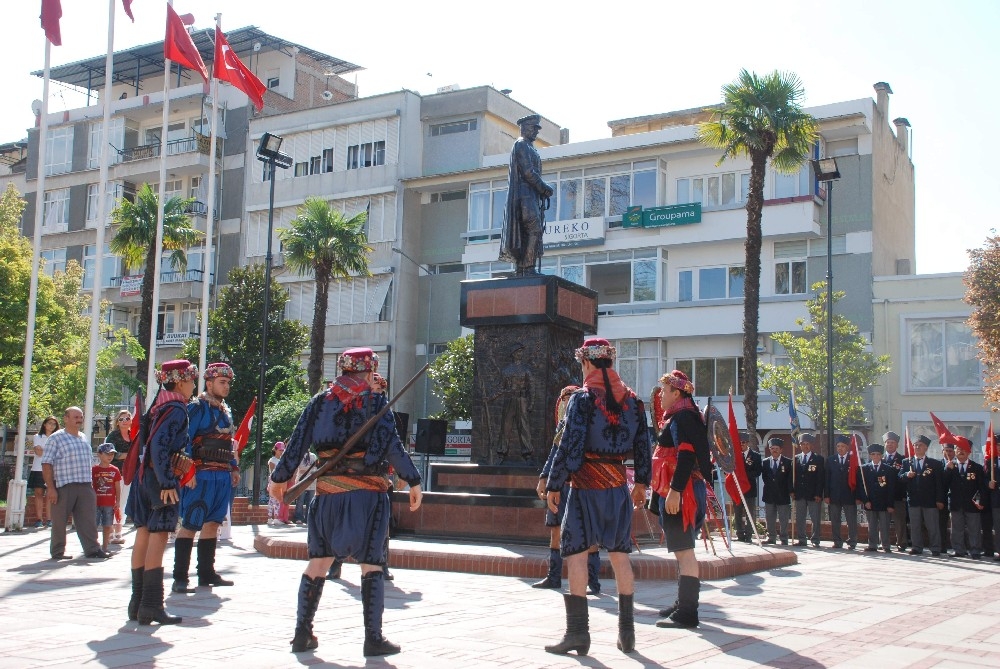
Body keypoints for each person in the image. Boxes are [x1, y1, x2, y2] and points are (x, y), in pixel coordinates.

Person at [269, 348, 423, 657]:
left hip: (328, 496)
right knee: (372, 563)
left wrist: (278, 478)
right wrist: (413, 478)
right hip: (368, 496)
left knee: (319, 561)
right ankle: (373, 638)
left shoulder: (319, 402)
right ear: (369, 371)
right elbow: (391, 445)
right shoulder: (375, 402)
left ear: (342, 370)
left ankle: (302, 633)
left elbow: (297, 442)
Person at [543, 338, 650, 653]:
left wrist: (554, 482)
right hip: (618, 487)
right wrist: (642, 482)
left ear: (587, 363)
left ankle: (578, 634)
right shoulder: (634, 401)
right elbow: (643, 445)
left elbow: (570, 443)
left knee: (575, 554)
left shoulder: (582, 399)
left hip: (585, 486)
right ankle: (627, 633)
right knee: (620, 555)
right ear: (610, 363)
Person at [124, 359, 198, 625]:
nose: (193, 386)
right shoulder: (176, 408)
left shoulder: (157, 407)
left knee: (143, 533)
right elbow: (159, 445)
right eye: (191, 380)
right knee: (158, 537)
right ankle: (152, 605)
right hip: (160, 481)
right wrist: (168, 481)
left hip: (143, 480)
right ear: (180, 381)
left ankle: (137, 601)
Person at [173, 362, 240, 593]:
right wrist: (187, 471)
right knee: (191, 523)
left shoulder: (225, 411)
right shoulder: (197, 408)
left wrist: (234, 467)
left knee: (213, 523)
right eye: (222, 382)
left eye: (228, 383)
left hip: (221, 475)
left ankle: (206, 573)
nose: (226, 387)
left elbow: (229, 443)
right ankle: (180, 577)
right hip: (200, 474)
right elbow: (185, 440)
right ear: (209, 383)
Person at [648, 369, 705, 632]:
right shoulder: (680, 416)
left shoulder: (684, 416)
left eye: (664, 391)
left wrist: (675, 491)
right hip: (680, 491)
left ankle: (687, 613)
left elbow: (686, 455)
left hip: (683, 493)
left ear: (677, 393)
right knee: (682, 550)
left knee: (685, 551)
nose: (660, 396)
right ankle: (683, 603)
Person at [533, 385, 602, 594]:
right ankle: (553, 576)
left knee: (588, 534)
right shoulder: (562, 425)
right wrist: (544, 477)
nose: (564, 403)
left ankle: (593, 581)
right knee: (555, 531)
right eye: (562, 399)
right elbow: (554, 454)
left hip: (581, 484)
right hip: (559, 485)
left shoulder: (588, 423)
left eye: (568, 398)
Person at [41, 406, 110, 561]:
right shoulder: (56, 438)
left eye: (80, 417)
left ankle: (92, 549)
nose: (79, 420)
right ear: (66, 418)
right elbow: (46, 464)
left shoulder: (84, 437)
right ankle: (58, 551)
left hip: (85, 485)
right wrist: (51, 488)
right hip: (64, 485)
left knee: (88, 520)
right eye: (75, 417)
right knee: (59, 521)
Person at [498, 114, 554, 276]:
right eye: (533, 128)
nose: (536, 132)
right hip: (524, 197)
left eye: (537, 128)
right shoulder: (521, 145)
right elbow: (528, 172)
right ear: (524, 127)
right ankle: (527, 267)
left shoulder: (529, 147)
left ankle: (523, 268)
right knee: (533, 229)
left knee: (527, 232)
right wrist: (544, 188)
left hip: (530, 197)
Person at [898, 434, 945, 556]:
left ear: (926, 448)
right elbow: (900, 477)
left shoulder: (934, 464)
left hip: (930, 500)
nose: (917, 447)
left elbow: (939, 484)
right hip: (913, 500)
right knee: (915, 525)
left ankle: (935, 548)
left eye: (920, 445)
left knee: (932, 526)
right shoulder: (906, 462)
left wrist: (939, 499)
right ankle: (916, 547)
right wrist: (906, 475)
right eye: (915, 445)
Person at [945, 439, 986, 558]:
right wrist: (949, 469)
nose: (961, 451)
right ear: (955, 451)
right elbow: (944, 484)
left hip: (972, 504)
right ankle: (959, 550)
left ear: (970, 451)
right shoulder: (950, 466)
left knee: (974, 529)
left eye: (964, 449)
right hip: (956, 503)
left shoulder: (977, 467)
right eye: (958, 449)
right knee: (957, 529)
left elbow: (981, 487)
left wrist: (979, 502)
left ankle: (975, 550)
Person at [825, 435, 861, 550]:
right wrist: (826, 495)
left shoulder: (853, 460)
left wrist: (858, 496)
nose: (840, 448)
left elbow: (858, 480)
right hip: (834, 495)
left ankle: (852, 541)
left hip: (849, 494)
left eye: (843, 446)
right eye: (838, 446)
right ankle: (837, 541)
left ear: (847, 447)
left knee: (851, 520)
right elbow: (827, 479)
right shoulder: (831, 460)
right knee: (835, 519)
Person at [860, 444, 895, 552]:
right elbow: (862, 487)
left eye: (878, 454)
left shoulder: (888, 469)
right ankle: (872, 545)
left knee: (884, 525)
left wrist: (890, 504)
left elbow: (891, 488)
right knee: (872, 525)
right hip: (870, 502)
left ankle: (885, 545)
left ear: (881, 456)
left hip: (883, 502)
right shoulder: (864, 469)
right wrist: (865, 501)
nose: (875, 456)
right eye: (873, 454)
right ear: (870, 456)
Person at [791, 433, 824, 547]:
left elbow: (820, 478)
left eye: (807, 444)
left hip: (813, 494)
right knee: (800, 518)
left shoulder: (818, 459)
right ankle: (801, 539)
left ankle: (815, 539)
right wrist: (792, 491)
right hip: (799, 493)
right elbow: (792, 477)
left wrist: (819, 493)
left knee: (815, 518)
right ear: (800, 445)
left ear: (811, 445)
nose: (805, 446)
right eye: (803, 444)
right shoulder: (796, 458)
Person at [106, 409, 133, 544]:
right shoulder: (113, 436)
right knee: (114, 502)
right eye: (121, 419)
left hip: (129, 473)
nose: (124, 421)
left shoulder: (133, 435)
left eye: (127, 418)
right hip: (116, 473)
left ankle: (118, 532)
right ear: (117, 421)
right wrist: (127, 456)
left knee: (123, 502)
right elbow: (111, 453)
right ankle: (109, 531)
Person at [761, 438, 793, 545]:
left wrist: (790, 491)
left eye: (776, 448)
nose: (774, 450)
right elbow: (765, 478)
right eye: (772, 448)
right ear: (770, 449)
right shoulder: (765, 462)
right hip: (769, 494)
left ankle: (784, 538)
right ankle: (771, 537)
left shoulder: (788, 462)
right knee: (769, 517)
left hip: (782, 494)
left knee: (783, 518)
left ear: (781, 450)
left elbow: (789, 479)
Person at [29, 416, 58, 528]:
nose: (51, 426)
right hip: (38, 468)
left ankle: (49, 519)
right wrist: (49, 450)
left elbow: (55, 452)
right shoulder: (38, 436)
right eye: (49, 423)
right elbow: (38, 452)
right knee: (38, 494)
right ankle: (39, 519)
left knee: (50, 494)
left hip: (53, 468)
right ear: (44, 424)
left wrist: (44, 449)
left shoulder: (57, 437)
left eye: (54, 424)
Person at [92, 443, 123, 552]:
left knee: (108, 525)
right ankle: (94, 546)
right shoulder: (94, 470)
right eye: (107, 454)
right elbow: (91, 486)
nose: (110, 456)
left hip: (109, 503)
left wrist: (118, 501)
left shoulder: (115, 470)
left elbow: (117, 487)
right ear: (99, 455)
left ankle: (105, 547)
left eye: (112, 454)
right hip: (96, 503)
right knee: (93, 525)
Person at [882, 431, 909, 551]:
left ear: (897, 445)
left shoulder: (903, 460)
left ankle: (901, 543)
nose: (890, 445)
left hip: (898, 496)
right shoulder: (880, 459)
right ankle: (884, 543)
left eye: (892, 442)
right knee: (883, 521)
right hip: (883, 496)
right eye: (888, 442)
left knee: (899, 522)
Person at [733, 430, 762, 543]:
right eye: (740, 442)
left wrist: (744, 476)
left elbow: (758, 471)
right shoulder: (734, 456)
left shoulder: (755, 456)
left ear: (748, 443)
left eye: (744, 442)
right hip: (737, 490)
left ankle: (749, 535)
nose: (742, 444)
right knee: (738, 513)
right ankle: (740, 535)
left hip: (750, 489)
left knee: (750, 513)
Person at [268, 442, 291, 526]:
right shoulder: (272, 460)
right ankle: (269, 517)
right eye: (280, 450)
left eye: (282, 450)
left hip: (281, 481)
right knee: (272, 500)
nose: (281, 451)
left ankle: (277, 518)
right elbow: (272, 472)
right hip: (274, 481)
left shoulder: (282, 461)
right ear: (275, 450)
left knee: (278, 500)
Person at [987, 434, 1000, 562]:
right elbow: (985, 478)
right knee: (998, 527)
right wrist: (988, 484)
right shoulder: (991, 461)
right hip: (997, 500)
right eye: (998, 446)